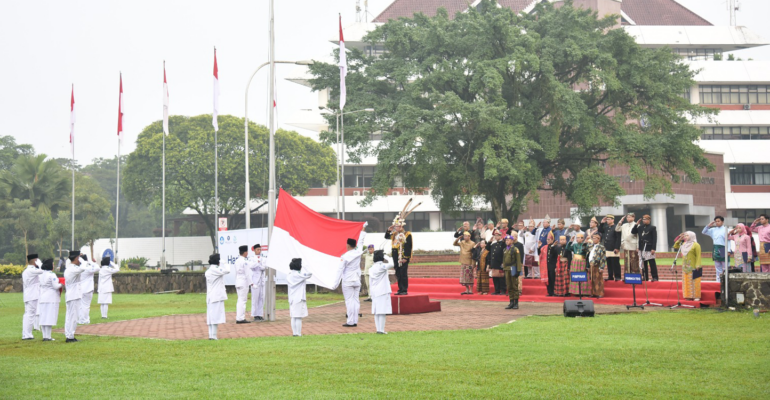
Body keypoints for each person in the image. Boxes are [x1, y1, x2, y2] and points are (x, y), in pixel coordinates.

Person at [339, 226, 367, 328]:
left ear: (347, 245)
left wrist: (335, 282)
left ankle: (350, 321)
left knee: (349, 301)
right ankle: (354, 320)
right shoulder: (358, 251)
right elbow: (361, 241)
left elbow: (340, 269)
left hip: (348, 281)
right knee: (356, 301)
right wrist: (363, 229)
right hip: (356, 280)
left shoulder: (345, 256)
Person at [369, 250, 395, 334]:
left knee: (377, 311)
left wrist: (371, 293)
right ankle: (381, 330)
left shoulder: (372, 268)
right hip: (382, 291)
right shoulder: (381, 266)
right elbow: (392, 264)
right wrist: (387, 257)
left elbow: (370, 282)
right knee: (382, 311)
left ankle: (378, 329)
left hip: (375, 291)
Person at [205, 254, 229, 340]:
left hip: (211, 296)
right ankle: (213, 336)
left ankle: (211, 335)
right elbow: (227, 270)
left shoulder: (208, 271)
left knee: (211, 317)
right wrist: (225, 262)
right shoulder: (215, 270)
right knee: (215, 316)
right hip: (216, 296)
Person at [63, 250, 85, 342]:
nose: (80, 260)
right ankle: (70, 336)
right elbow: (83, 268)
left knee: (69, 316)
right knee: (73, 316)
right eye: (78, 258)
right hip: (74, 295)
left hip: (71, 295)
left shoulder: (69, 268)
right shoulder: (73, 269)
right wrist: (83, 260)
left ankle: (69, 334)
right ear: (76, 258)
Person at [385, 222, 412, 295]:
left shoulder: (407, 234)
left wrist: (406, 257)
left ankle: (404, 290)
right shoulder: (394, 234)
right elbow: (386, 237)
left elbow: (408, 246)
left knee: (403, 273)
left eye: (396, 226)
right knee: (398, 273)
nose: (395, 228)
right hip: (395, 255)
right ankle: (400, 289)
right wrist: (389, 230)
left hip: (402, 255)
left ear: (401, 226)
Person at [288, 258, 312, 337]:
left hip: (292, 297)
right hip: (298, 297)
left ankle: (294, 333)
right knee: (298, 317)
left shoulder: (289, 274)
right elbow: (309, 273)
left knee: (293, 316)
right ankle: (298, 333)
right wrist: (305, 266)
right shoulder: (299, 275)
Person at [674, 232, 702, 301]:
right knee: (686, 282)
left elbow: (698, 256)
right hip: (685, 267)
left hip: (693, 266)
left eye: (687, 235)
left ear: (692, 236)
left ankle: (696, 296)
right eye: (685, 235)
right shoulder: (684, 244)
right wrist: (680, 239)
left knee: (695, 281)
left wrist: (698, 265)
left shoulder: (696, 245)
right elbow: (676, 246)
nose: (686, 236)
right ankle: (688, 296)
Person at [21, 253, 43, 340]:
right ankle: (27, 334)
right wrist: (40, 264)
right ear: (35, 261)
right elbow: (43, 271)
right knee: (30, 315)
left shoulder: (27, 270)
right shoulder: (31, 270)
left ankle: (26, 333)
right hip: (32, 295)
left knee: (27, 315)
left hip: (28, 295)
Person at [38, 259, 61, 341]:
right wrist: (62, 283)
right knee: (49, 317)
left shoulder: (41, 275)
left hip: (43, 297)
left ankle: (45, 336)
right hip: (51, 297)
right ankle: (48, 336)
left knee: (44, 317)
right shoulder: (52, 275)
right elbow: (55, 286)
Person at [632, 214, 658, 281]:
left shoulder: (652, 228)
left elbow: (654, 238)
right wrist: (636, 224)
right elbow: (633, 232)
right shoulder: (640, 227)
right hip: (642, 247)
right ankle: (645, 276)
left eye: (645, 219)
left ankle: (655, 277)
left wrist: (653, 248)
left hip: (649, 247)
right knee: (643, 263)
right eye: (643, 219)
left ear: (649, 220)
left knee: (651, 262)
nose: (644, 220)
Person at [234, 245, 254, 324]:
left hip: (238, 282)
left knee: (240, 300)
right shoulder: (245, 261)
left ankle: (239, 317)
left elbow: (236, 273)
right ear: (245, 252)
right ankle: (240, 318)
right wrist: (251, 283)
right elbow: (247, 274)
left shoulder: (237, 261)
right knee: (243, 300)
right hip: (243, 282)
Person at [77, 254, 100, 325]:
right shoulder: (88, 268)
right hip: (87, 289)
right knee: (86, 306)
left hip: (80, 289)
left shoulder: (79, 268)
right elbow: (98, 267)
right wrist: (90, 261)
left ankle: (81, 319)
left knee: (81, 305)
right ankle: (85, 320)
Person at [599, 215, 621, 281]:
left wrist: (617, 247)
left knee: (615, 263)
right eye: (607, 219)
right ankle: (610, 276)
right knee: (609, 263)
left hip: (614, 248)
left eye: (609, 219)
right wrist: (602, 223)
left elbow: (618, 238)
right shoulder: (606, 228)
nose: (607, 220)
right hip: (607, 248)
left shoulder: (616, 227)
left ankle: (617, 276)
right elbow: (600, 230)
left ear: (612, 220)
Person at [502, 235, 522, 309]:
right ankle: (511, 302)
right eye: (506, 240)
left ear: (512, 241)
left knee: (514, 286)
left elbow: (518, 260)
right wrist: (503, 267)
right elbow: (504, 260)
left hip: (513, 268)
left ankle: (516, 303)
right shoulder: (505, 249)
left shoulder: (515, 249)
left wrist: (518, 270)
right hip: (507, 269)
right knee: (509, 285)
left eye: (508, 240)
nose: (507, 241)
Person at [249, 244, 267, 321]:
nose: (259, 251)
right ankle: (254, 314)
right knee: (255, 298)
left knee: (261, 298)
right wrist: (258, 263)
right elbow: (251, 266)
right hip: (255, 281)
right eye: (257, 250)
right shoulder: (251, 258)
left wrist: (259, 265)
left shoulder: (263, 258)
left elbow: (264, 267)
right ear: (254, 250)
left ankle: (260, 314)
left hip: (262, 280)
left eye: (260, 249)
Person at [539, 232, 560, 297]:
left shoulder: (555, 247)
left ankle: (554, 292)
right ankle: (549, 292)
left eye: (549, 239)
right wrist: (538, 247)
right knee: (547, 280)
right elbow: (540, 254)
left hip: (552, 266)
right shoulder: (544, 247)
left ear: (552, 240)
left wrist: (553, 246)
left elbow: (553, 253)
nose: (548, 241)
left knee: (552, 279)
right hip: (546, 266)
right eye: (547, 240)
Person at [587, 233, 606, 298]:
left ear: (599, 239)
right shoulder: (590, 246)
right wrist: (586, 241)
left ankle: (599, 293)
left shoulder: (601, 247)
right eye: (593, 238)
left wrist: (601, 267)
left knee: (598, 280)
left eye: (595, 238)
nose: (594, 240)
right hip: (591, 264)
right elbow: (583, 249)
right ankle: (593, 293)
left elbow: (603, 258)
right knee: (592, 279)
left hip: (597, 265)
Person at [487, 230, 506, 295]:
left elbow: (504, 253)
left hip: (500, 263)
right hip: (494, 263)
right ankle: (497, 290)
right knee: (495, 278)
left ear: (500, 236)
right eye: (495, 235)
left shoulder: (503, 243)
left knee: (501, 278)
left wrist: (503, 262)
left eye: (497, 235)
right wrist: (489, 242)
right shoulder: (493, 244)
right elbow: (487, 249)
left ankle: (503, 290)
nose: (496, 237)